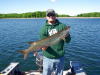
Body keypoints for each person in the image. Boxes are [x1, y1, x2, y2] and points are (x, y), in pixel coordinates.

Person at [39, 9, 71, 75]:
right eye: (49, 15)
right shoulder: (43, 29)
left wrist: (67, 36)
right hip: (47, 58)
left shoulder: (62, 26)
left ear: (55, 16)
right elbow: (43, 43)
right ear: (46, 17)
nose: (51, 16)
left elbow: (68, 41)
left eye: (52, 15)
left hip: (60, 57)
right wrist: (43, 47)